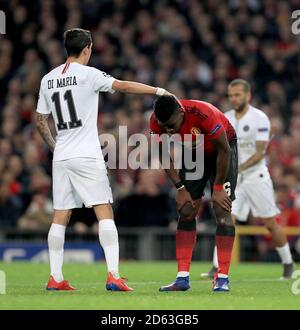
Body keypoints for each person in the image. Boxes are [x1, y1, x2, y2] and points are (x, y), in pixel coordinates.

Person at [35, 28, 172, 291]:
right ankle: (113, 275)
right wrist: (158, 91)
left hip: (62, 155)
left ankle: (55, 277)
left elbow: (41, 120)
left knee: (60, 216)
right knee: (104, 211)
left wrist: (55, 146)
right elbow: (121, 86)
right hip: (87, 153)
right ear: (87, 48)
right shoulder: (89, 75)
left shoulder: (48, 79)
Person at [201, 79, 294, 279]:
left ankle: (288, 262)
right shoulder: (224, 117)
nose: (234, 99)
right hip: (235, 181)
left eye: (238, 95)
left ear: (248, 95)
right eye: (231, 95)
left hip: (256, 177)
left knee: (269, 222)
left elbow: (261, 153)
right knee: (226, 219)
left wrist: (237, 168)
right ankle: (217, 267)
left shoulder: (259, 118)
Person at [149, 95, 238, 292]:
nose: (169, 131)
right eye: (165, 128)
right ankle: (182, 279)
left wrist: (217, 188)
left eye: (172, 125)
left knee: (221, 209)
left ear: (181, 112)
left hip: (223, 148)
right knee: (187, 210)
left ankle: (222, 277)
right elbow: (164, 155)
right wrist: (180, 189)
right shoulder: (156, 122)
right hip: (195, 150)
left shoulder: (203, 113)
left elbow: (224, 151)